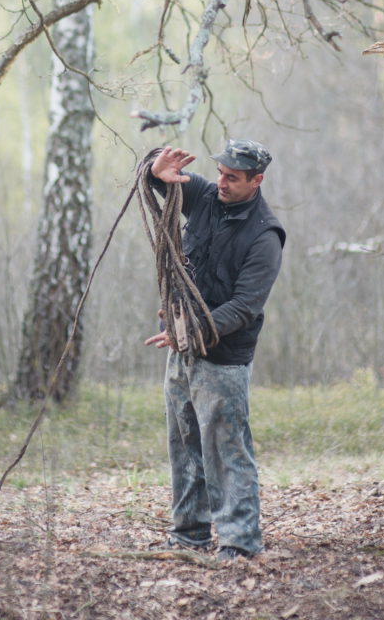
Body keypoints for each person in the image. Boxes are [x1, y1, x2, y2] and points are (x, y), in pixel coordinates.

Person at [144, 140, 285, 559]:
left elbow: (244, 308)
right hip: (180, 349)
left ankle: (241, 543)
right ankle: (189, 535)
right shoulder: (206, 196)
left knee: (226, 450)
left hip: (224, 359)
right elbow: (159, 179)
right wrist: (156, 169)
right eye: (220, 172)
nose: (221, 182)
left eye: (232, 178)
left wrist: (190, 332)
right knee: (184, 445)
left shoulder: (265, 235)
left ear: (256, 181)